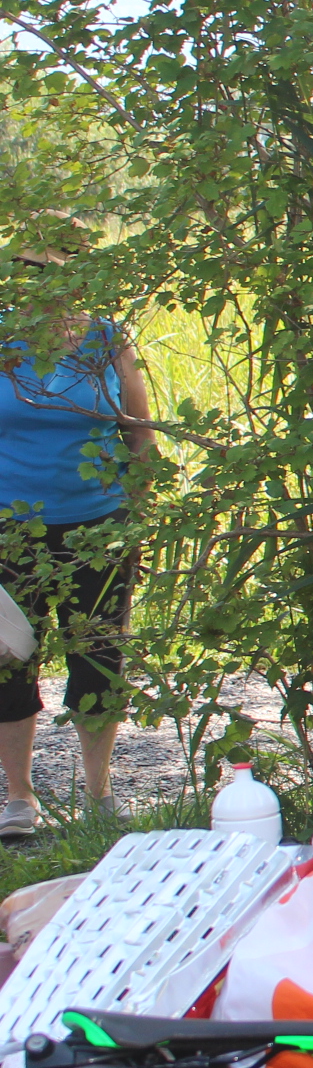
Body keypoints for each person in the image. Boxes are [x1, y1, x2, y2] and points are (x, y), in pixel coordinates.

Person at [1, 213, 154, 841]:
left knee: (99, 657)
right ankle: (18, 798)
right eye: (30, 270)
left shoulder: (106, 341)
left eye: (60, 271)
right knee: (9, 660)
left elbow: (140, 434)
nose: (43, 283)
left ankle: (98, 793)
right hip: (10, 529)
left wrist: (138, 519)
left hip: (99, 524)